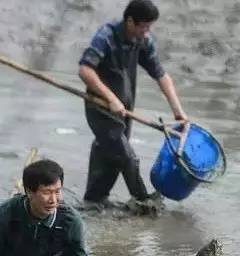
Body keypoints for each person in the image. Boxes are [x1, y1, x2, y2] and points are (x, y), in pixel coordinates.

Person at [78, 0, 188, 206]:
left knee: (109, 154)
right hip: (101, 108)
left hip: (124, 110)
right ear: (130, 21)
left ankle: (93, 201)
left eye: (149, 27)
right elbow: (85, 70)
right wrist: (111, 99)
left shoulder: (143, 41)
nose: (147, 31)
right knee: (126, 156)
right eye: (144, 26)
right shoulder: (107, 36)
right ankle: (143, 201)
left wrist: (178, 111)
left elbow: (161, 75)